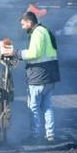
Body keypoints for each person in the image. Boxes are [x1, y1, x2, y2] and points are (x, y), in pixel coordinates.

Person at [19, 9, 60, 143]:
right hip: (50, 75)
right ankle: (50, 134)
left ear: (30, 22)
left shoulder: (37, 32)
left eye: (23, 24)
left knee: (33, 107)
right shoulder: (45, 30)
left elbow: (34, 54)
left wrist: (18, 54)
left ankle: (34, 135)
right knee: (47, 106)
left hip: (38, 76)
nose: (22, 27)